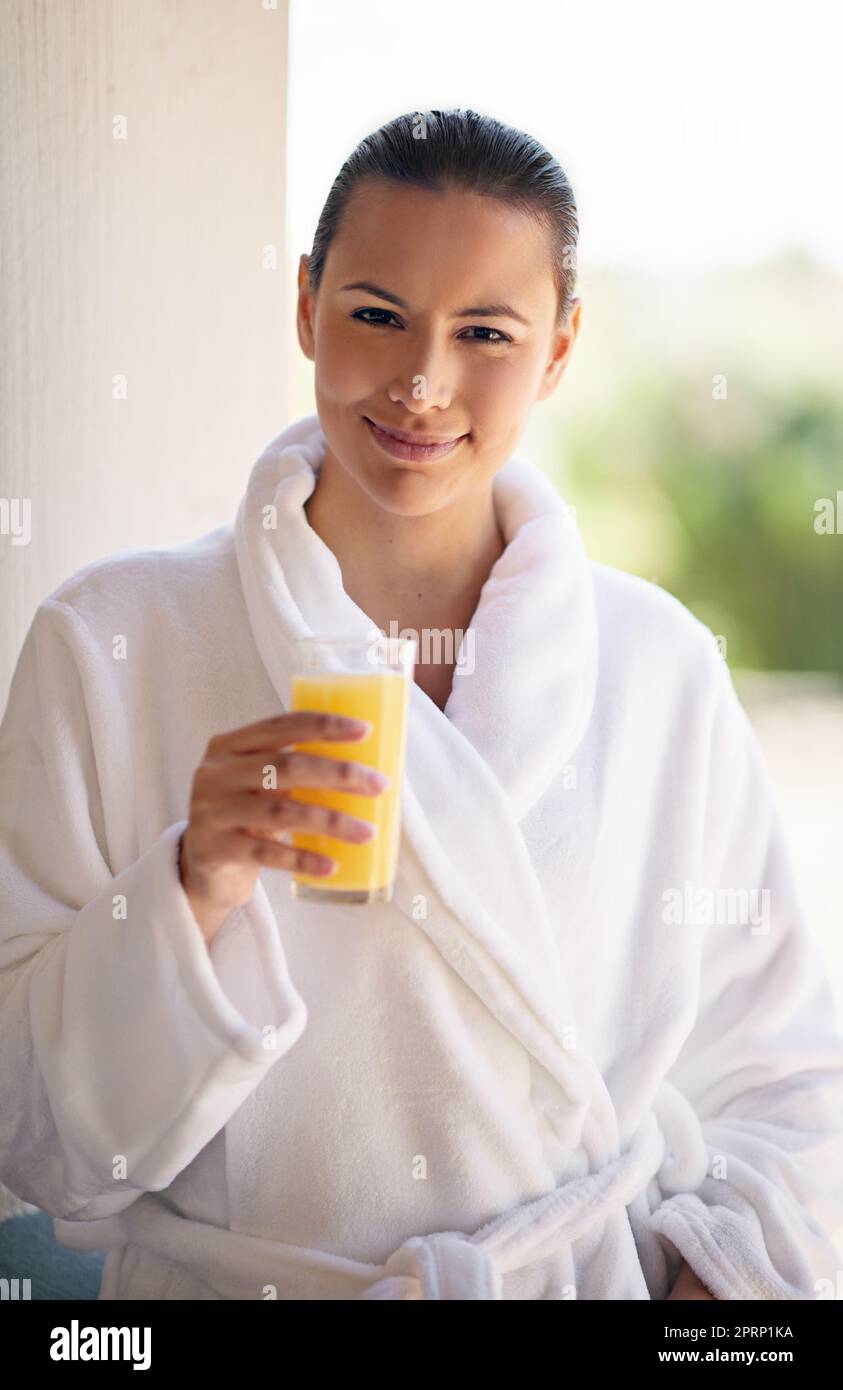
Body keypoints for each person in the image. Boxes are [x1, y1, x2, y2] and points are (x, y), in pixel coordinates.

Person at [1, 108, 842, 1302]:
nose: (421, 382)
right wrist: (188, 887)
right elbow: (28, 1135)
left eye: (485, 331)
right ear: (306, 305)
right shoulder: (107, 643)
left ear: (559, 349)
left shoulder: (657, 665)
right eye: (377, 314)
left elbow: (790, 1078)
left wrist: (719, 1293)